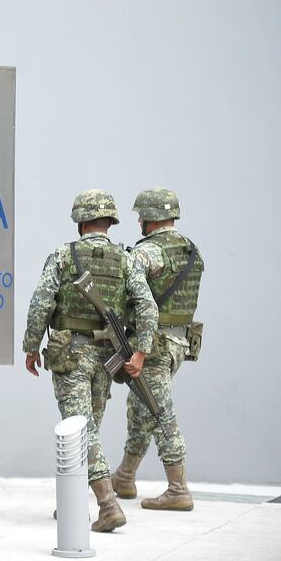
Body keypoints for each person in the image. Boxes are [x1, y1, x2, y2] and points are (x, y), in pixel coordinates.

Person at [21, 189, 158, 532]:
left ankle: (108, 504)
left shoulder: (63, 256)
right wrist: (140, 352)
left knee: (81, 430)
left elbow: (41, 304)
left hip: (71, 355)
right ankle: (72, 504)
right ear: (110, 221)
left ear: (81, 222)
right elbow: (147, 306)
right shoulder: (127, 259)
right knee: (87, 427)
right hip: (107, 357)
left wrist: (31, 346)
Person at [112, 188, 203, 511]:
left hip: (151, 347)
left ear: (150, 218)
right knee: (142, 410)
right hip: (179, 342)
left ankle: (178, 489)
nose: (138, 220)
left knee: (161, 414)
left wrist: (139, 347)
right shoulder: (190, 249)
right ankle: (124, 476)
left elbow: (132, 297)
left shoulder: (146, 253)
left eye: (141, 216)